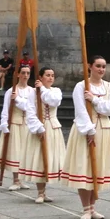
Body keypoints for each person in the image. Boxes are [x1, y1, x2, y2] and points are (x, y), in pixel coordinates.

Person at [62, 55, 110, 219]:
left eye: (103, 66)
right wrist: (89, 130)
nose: (101, 69)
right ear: (90, 66)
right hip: (85, 129)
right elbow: (80, 110)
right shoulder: (81, 86)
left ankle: (93, 207)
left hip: (104, 129)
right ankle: (86, 208)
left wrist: (94, 100)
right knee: (84, 168)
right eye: (98, 66)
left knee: (98, 167)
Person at [0, 63, 38, 192]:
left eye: (28, 73)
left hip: (28, 124)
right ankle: (16, 180)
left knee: (25, 152)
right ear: (17, 74)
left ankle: (21, 179)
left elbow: (31, 107)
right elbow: (5, 109)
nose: (25, 75)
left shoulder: (32, 91)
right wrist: (4, 124)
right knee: (15, 151)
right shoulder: (11, 91)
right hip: (15, 123)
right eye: (23, 73)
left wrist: (18, 99)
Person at [26, 67, 66, 204]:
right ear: (40, 77)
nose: (50, 78)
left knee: (50, 157)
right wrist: (38, 127)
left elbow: (53, 101)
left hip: (53, 127)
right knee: (40, 158)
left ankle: (45, 190)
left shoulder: (56, 91)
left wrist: (42, 88)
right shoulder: (33, 92)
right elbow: (30, 110)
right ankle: (40, 192)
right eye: (47, 75)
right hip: (39, 126)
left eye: (52, 75)